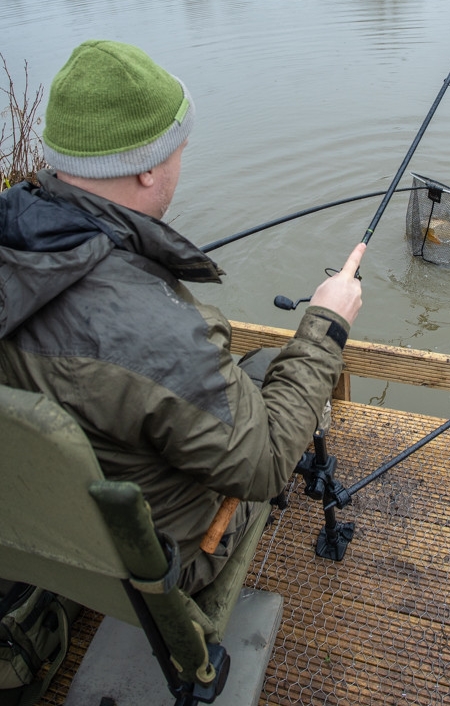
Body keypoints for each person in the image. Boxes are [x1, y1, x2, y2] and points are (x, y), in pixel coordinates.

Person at [0, 40, 364, 593]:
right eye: (179, 149)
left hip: (40, 528)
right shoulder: (160, 337)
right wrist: (325, 326)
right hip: (162, 558)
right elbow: (261, 465)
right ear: (146, 170)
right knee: (278, 371)